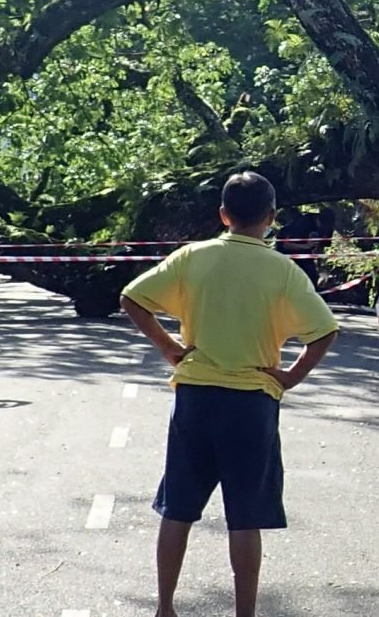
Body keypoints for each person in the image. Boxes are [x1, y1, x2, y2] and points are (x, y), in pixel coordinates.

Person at [119, 171, 340, 617]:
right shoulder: (284, 271)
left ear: (223, 215)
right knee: (245, 516)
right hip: (252, 404)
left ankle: (164, 608)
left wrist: (170, 349)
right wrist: (291, 376)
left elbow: (132, 298)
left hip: (196, 396)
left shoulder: (193, 257)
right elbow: (324, 330)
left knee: (177, 507)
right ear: (272, 219)